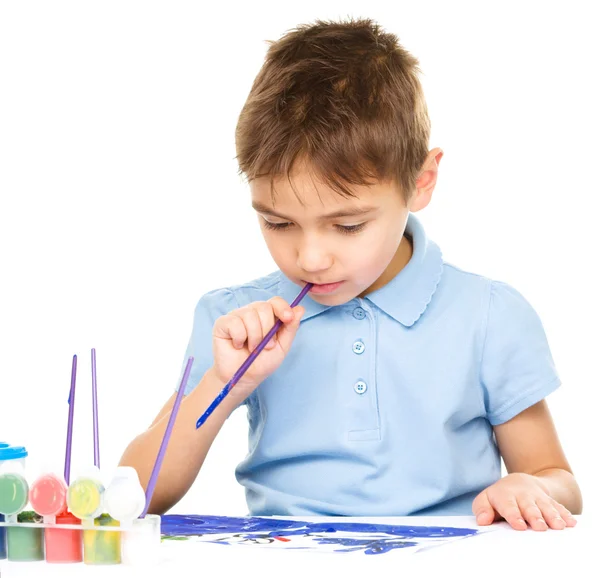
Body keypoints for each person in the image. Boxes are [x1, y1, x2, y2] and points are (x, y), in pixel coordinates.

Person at [119, 17, 582, 530]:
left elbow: (556, 477)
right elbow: (133, 496)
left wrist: (529, 487)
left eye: (347, 225)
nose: (310, 258)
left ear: (421, 182)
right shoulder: (234, 321)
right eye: (277, 222)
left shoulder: (490, 316)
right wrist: (222, 383)